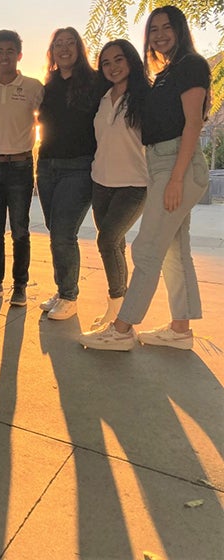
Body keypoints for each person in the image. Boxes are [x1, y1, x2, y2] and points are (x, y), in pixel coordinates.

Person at [79, 5, 211, 351]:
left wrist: (177, 178)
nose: (160, 35)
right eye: (153, 29)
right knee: (174, 251)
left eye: (167, 27)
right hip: (160, 163)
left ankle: (122, 329)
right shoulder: (169, 71)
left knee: (147, 248)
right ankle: (180, 329)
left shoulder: (192, 65)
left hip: (175, 162)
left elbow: (193, 123)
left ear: (180, 29)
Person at [37, 27, 102, 320]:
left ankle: (69, 296)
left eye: (70, 43)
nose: (64, 48)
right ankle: (62, 289)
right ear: (52, 51)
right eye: (58, 44)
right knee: (56, 232)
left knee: (64, 233)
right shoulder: (48, 84)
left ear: (79, 48)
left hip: (79, 166)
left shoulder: (95, 81)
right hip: (47, 165)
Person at [0, 30, 44, 306]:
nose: (4, 56)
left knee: (20, 229)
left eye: (9, 51)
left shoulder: (33, 86)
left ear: (19, 55)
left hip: (20, 166)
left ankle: (20, 285)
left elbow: (49, 118)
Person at [88, 39, 150, 330]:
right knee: (116, 246)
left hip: (134, 185)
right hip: (101, 182)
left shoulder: (144, 97)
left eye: (118, 60)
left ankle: (116, 311)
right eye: (106, 62)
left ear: (131, 61)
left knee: (107, 240)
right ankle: (119, 311)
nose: (112, 67)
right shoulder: (101, 98)